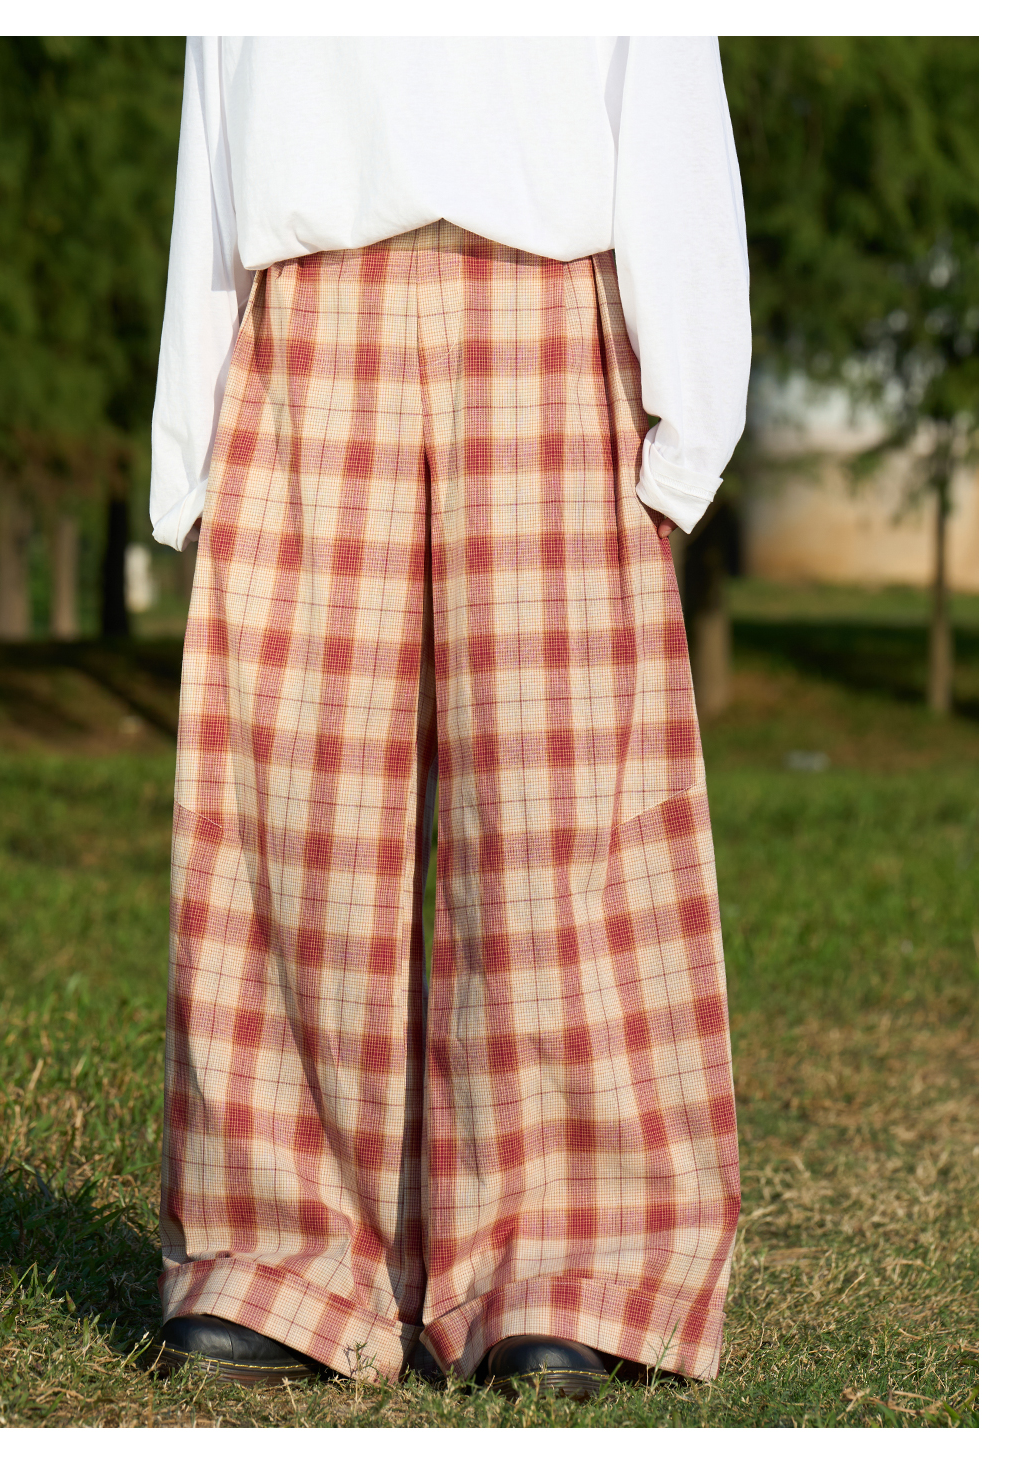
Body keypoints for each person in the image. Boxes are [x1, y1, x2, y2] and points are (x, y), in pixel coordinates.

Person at [147, 36, 750, 1400]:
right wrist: (189, 434)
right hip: (304, 312)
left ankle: (570, 1261)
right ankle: (280, 1253)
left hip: (550, 314)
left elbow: (666, 88)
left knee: (553, 823)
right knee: (290, 811)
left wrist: (690, 414)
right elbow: (215, 119)